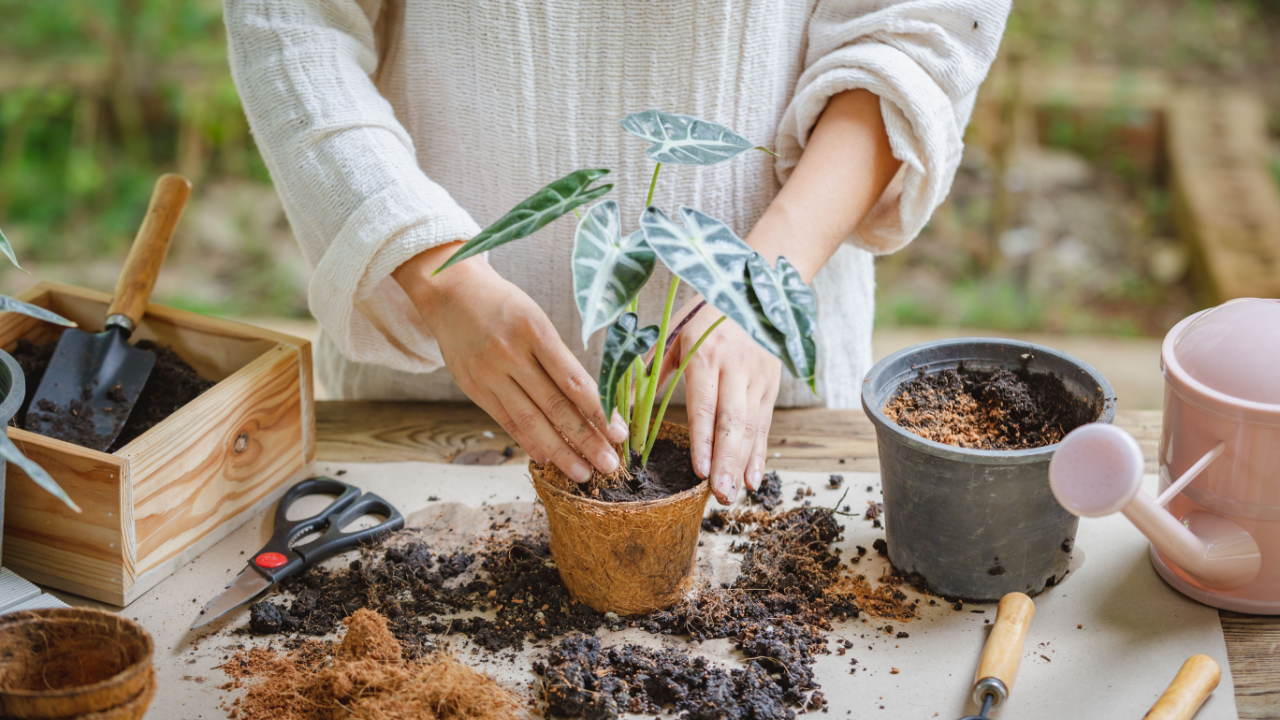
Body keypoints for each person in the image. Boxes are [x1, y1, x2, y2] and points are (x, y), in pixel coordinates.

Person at [225, 0, 1010, 505]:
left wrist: (761, 282)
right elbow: (291, 21)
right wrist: (436, 273)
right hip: (423, 403)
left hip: (761, 415)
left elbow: (920, 29)